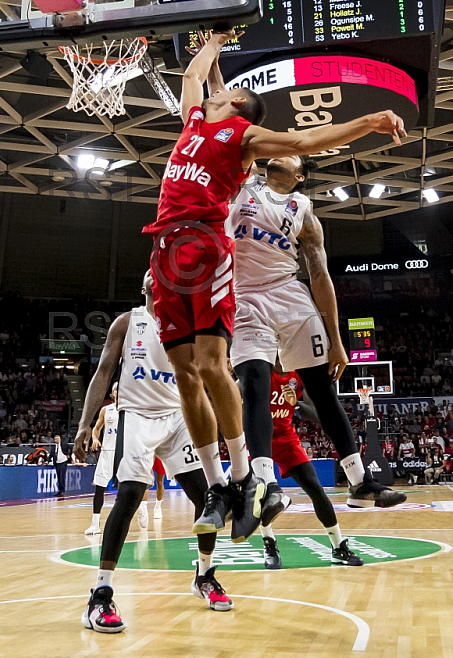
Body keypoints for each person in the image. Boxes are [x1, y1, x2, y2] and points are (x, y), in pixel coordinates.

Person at [142, 29, 406, 541]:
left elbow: (306, 141)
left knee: (235, 371)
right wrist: (214, 39)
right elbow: (195, 75)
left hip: (223, 256)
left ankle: (286, 478)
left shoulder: (245, 141)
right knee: (186, 370)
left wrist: (369, 121)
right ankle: (228, 484)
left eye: (224, 94)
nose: (211, 93)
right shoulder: (194, 120)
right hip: (168, 248)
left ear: (236, 105)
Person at [226, 153, 406, 509]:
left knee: (321, 390)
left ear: (300, 175)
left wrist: (337, 342)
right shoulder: (245, 181)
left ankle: (360, 482)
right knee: (254, 382)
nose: (279, 152)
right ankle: (263, 484)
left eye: (290, 155)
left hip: (290, 293)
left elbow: (321, 276)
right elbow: (234, 130)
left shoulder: (305, 214)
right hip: (244, 295)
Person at [75, 272, 233, 634]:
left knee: (206, 496)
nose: (156, 275)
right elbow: (103, 372)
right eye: (151, 273)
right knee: (130, 494)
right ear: (145, 286)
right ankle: (100, 593)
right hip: (137, 415)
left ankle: (204, 575)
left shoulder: (188, 324)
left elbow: (208, 374)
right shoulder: (127, 322)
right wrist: (85, 424)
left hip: (178, 415)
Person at [260, 367, 363, 569]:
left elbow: (319, 415)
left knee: (316, 489)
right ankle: (269, 545)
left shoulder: (297, 377)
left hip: (287, 439)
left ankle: (338, 547)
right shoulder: (259, 371)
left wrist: (296, 405)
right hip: (260, 440)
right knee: (262, 496)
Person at [85, 383, 119, 536]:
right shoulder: (106, 410)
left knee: (127, 490)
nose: (119, 391)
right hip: (106, 452)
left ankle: (141, 509)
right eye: (116, 389)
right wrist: (94, 439)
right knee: (99, 488)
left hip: (123, 453)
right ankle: (95, 524)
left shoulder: (130, 409)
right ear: (112, 393)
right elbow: (96, 428)